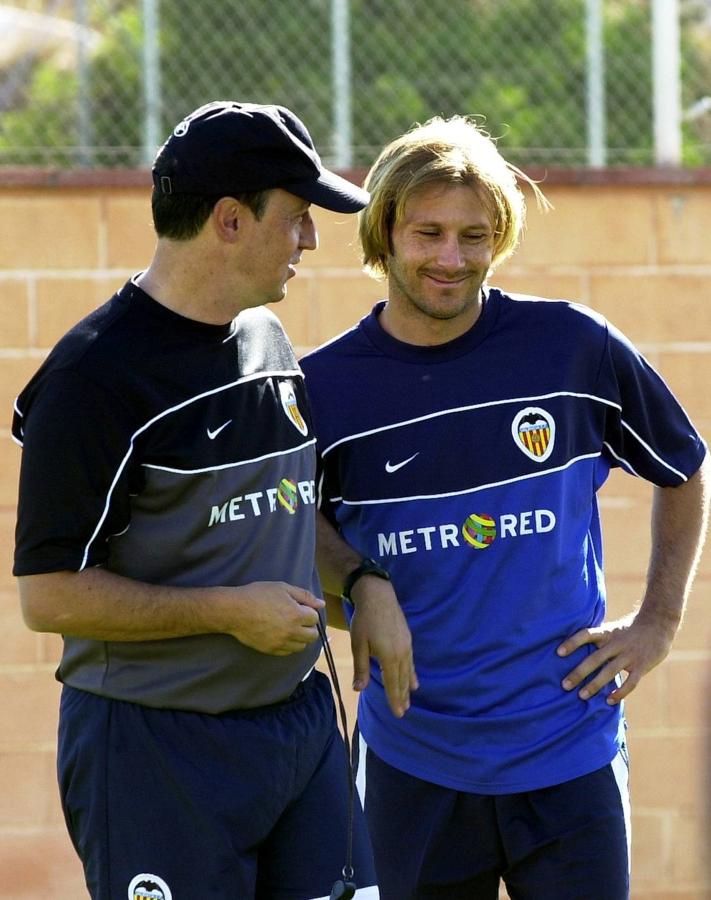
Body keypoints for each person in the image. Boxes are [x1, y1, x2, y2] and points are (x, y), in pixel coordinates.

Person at [300, 115, 710, 900]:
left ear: (500, 238)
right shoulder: (325, 389)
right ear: (383, 231)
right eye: (427, 233)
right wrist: (360, 580)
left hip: (568, 753)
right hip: (409, 757)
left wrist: (657, 622)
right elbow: (293, 521)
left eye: (473, 235)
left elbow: (683, 469)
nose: (451, 259)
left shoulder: (570, 347)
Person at [12, 101, 379, 900]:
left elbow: (284, 507)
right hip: (154, 747)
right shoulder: (92, 381)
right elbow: (46, 596)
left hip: (299, 726)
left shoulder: (269, 343)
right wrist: (224, 610)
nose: (311, 240)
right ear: (229, 221)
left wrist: (362, 584)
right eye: (296, 217)